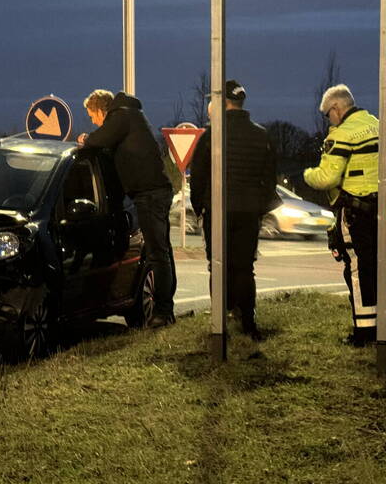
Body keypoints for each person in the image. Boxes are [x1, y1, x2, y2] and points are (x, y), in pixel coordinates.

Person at [303, 83, 386, 347]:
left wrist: (306, 174)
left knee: (357, 271)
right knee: (379, 269)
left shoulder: (343, 135)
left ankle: (364, 333)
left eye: (327, 115)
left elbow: (327, 177)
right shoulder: (382, 127)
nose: (329, 121)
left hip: (357, 212)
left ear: (336, 108)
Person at [78, 89, 177, 327]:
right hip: (153, 193)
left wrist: (84, 139)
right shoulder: (130, 115)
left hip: (150, 195)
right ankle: (166, 308)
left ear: (101, 110)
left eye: (92, 115)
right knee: (162, 252)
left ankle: (163, 312)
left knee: (157, 254)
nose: (93, 121)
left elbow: (97, 140)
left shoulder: (122, 116)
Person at [189, 79, 278, 341]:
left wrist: (200, 207)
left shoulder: (211, 136)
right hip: (248, 211)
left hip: (218, 211)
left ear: (222, 102)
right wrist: (258, 207)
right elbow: (269, 179)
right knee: (244, 267)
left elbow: (199, 178)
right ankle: (248, 320)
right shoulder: (261, 135)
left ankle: (221, 319)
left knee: (217, 265)